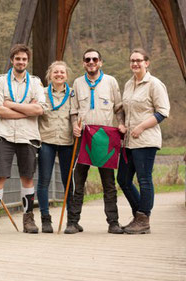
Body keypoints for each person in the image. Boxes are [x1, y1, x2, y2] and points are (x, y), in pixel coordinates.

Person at [0, 44, 47, 234]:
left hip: (27, 137)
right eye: (17, 58)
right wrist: (25, 111)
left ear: (27, 62)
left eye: (24, 59)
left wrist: (10, 105)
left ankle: (28, 220)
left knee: (27, 178)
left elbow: (39, 109)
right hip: (4, 135)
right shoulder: (1, 80)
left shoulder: (36, 83)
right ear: (12, 60)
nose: (21, 62)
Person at [66, 49, 125, 234]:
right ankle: (73, 221)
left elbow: (118, 107)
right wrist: (75, 125)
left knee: (108, 182)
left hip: (105, 137)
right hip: (83, 136)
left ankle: (113, 222)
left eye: (94, 59)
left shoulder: (111, 81)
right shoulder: (77, 82)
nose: (91, 62)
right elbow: (73, 110)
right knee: (78, 180)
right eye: (87, 59)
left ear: (100, 62)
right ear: (83, 63)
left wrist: (122, 123)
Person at [117, 48, 170, 234]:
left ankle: (142, 218)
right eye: (132, 60)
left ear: (146, 63)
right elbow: (123, 108)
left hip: (146, 140)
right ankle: (140, 216)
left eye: (139, 60)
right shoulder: (128, 84)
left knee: (144, 179)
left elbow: (163, 111)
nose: (135, 64)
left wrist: (141, 127)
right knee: (122, 179)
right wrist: (122, 124)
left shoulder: (154, 84)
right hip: (129, 141)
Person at [37, 61, 74, 233]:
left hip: (67, 142)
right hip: (47, 140)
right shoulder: (41, 93)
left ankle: (72, 220)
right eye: (55, 72)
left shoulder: (73, 94)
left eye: (62, 72)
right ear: (50, 75)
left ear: (66, 75)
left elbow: (77, 115)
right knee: (44, 180)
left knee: (68, 181)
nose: (59, 75)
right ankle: (45, 220)